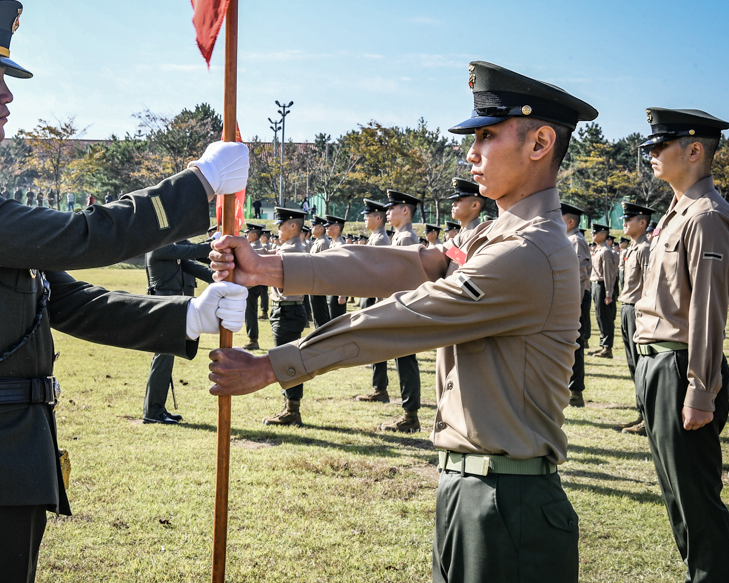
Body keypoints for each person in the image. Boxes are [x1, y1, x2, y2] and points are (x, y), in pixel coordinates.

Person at [0, 0, 249, 582]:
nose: (8, 93)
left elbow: (67, 300)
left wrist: (186, 318)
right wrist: (195, 185)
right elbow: (80, 236)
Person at [208, 60, 597, 583]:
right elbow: (406, 265)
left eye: (486, 135)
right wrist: (271, 266)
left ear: (539, 143)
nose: (471, 153)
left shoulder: (528, 250)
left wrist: (275, 365)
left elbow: (405, 317)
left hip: (510, 501)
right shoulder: (495, 234)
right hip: (473, 487)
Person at [634, 107, 729, 581]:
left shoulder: (708, 216)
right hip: (655, 365)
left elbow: (708, 312)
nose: (651, 154)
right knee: (676, 495)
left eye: (659, 146)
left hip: (682, 367)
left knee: (695, 500)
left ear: (694, 151)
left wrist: (700, 390)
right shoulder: (677, 214)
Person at [142, 238, 220, 424]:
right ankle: (153, 412)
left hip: (172, 307)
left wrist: (221, 276)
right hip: (163, 305)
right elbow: (189, 250)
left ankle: (157, 408)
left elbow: (197, 269)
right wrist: (214, 245)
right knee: (163, 358)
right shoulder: (158, 245)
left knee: (166, 359)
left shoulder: (172, 250)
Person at [377, 190, 423, 433]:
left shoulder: (405, 238)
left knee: (406, 362)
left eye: (392, 207)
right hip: (404, 307)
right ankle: (409, 412)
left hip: (405, 307)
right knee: (404, 361)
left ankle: (410, 415)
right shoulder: (400, 237)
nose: (387, 212)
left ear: (405, 210)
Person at [262, 207, 309, 426]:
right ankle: (290, 407)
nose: (278, 228)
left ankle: (292, 410)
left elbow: (285, 285)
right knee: (286, 360)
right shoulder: (288, 248)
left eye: (281, 224)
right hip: (286, 309)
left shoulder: (292, 251)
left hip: (288, 309)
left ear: (293, 226)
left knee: (288, 362)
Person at [615, 201, 654, 434]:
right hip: (626, 307)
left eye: (629, 219)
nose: (625, 223)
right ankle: (641, 413)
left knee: (641, 365)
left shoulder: (645, 249)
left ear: (642, 222)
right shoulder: (632, 248)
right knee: (632, 364)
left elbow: (649, 284)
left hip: (637, 310)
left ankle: (647, 418)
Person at [355, 199, 392, 404]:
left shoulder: (380, 240)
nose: (365, 219)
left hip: (376, 299)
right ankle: (378, 387)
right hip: (371, 297)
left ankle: (380, 388)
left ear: (378, 218)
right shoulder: (375, 238)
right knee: (374, 344)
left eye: (368, 216)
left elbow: (378, 275)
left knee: (378, 345)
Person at [561, 203, 592, 408]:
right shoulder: (568, 240)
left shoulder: (576, 241)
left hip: (577, 299)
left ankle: (575, 391)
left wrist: (577, 302)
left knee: (576, 344)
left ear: (570, 222)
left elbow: (580, 275)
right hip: (571, 298)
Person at [589, 223, 617, 358]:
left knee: (605, 317)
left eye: (596, 232)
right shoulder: (598, 250)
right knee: (599, 317)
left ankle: (607, 348)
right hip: (595, 285)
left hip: (602, 286)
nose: (592, 235)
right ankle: (602, 345)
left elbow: (608, 274)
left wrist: (608, 293)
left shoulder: (605, 251)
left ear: (603, 235)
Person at [242, 222, 267, 350]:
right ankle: (253, 338)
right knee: (251, 311)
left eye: (248, 233)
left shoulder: (252, 249)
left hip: (250, 285)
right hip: (258, 284)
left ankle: (253, 339)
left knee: (250, 312)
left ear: (254, 234)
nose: (246, 235)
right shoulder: (260, 247)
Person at [307, 216, 331, 329]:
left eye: (314, 226)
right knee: (316, 313)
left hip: (319, 284)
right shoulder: (318, 242)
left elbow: (324, 266)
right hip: (314, 283)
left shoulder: (323, 243)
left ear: (321, 228)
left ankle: (322, 337)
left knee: (321, 314)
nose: (311, 228)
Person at [323, 215, 348, 320]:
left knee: (337, 320)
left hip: (338, 290)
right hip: (331, 287)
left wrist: (342, 294)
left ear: (337, 228)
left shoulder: (341, 245)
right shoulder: (333, 243)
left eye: (329, 226)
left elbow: (344, 271)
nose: (326, 228)